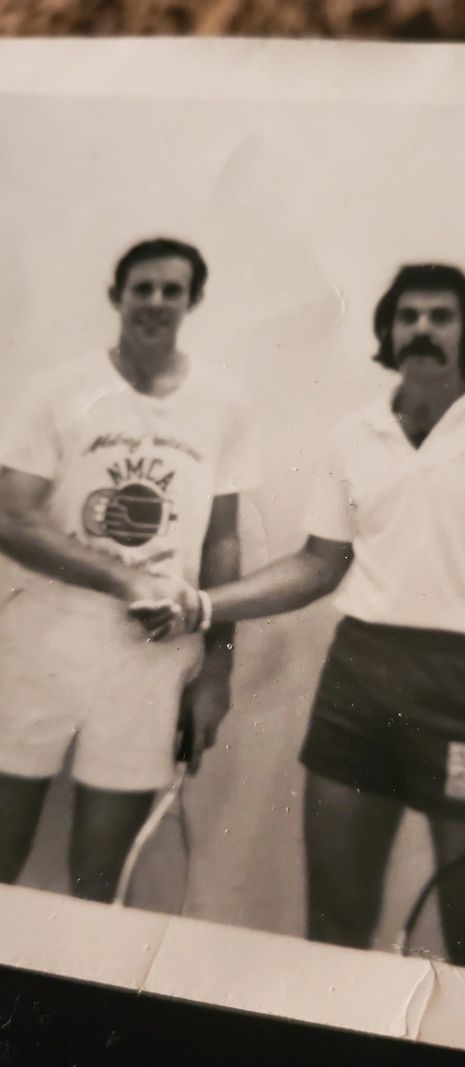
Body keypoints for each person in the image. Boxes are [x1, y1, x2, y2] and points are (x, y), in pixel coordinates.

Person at [140, 262, 465, 974]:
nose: (422, 329)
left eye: (441, 316)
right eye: (408, 316)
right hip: (361, 681)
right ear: (388, 332)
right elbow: (320, 564)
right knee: (336, 919)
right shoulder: (356, 434)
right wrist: (206, 604)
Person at [0, 236, 258, 903]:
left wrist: (218, 670)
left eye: (173, 290)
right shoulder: (57, 390)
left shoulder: (223, 403)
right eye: (143, 287)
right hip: (41, 642)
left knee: (101, 876)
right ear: (117, 296)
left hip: (150, 658)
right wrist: (126, 580)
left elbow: (223, 544)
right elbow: (10, 518)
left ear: (193, 301)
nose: (156, 301)